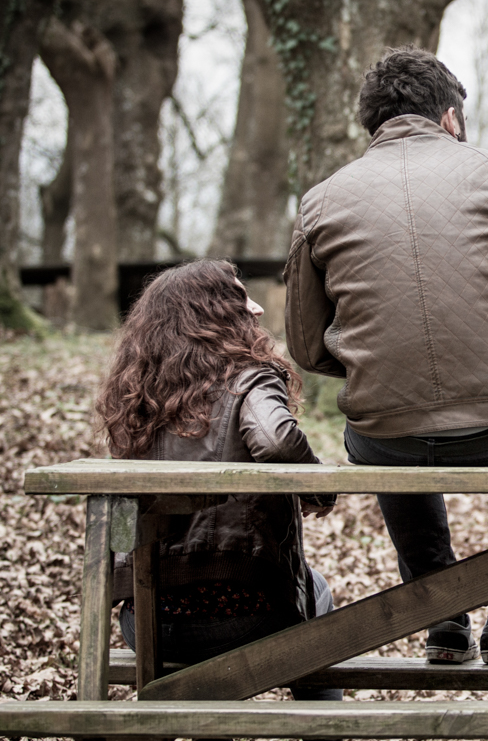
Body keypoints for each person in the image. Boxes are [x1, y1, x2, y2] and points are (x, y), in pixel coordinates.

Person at [285, 46, 488, 665]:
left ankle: (443, 615)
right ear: (450, 116)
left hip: (383, 437)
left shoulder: (320, 202)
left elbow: (307, 345)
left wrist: (376, 359)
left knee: (381, 418)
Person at [94, 259, 341, 703]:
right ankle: (322, 728)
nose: (258, 308)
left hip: (145, 622)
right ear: (215, 311)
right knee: (317, 599)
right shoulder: (249, 377)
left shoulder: (135, 398)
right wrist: (319, 489)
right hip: (243, 616)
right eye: (241, 296)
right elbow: (277, 440)